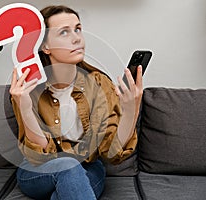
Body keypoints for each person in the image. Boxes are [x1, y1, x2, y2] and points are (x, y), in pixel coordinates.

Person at [9, 5, 143, 200]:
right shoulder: (27, 89)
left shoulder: (99, 83)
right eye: (64, 32)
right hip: (38, 169)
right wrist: (25, 109)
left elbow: (111, 152)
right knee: (67, 165)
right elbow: (39, 153)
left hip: (88, 167)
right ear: (45, 46)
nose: (76, 38)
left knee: (66, 188)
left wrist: (131, 109)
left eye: (78, 29)